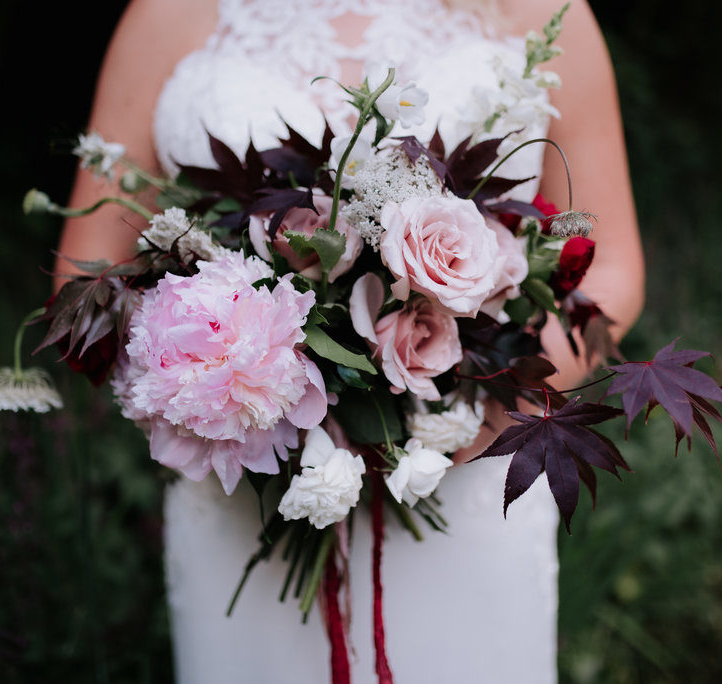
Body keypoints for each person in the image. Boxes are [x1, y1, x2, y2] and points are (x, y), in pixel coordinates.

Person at [56, 1, 644, 681]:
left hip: (470, 485)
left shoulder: (543, 12)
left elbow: (615, 268)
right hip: (240, 495)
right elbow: (83, 283)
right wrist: (211, 377)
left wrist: (468, 415)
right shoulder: (166, 14)